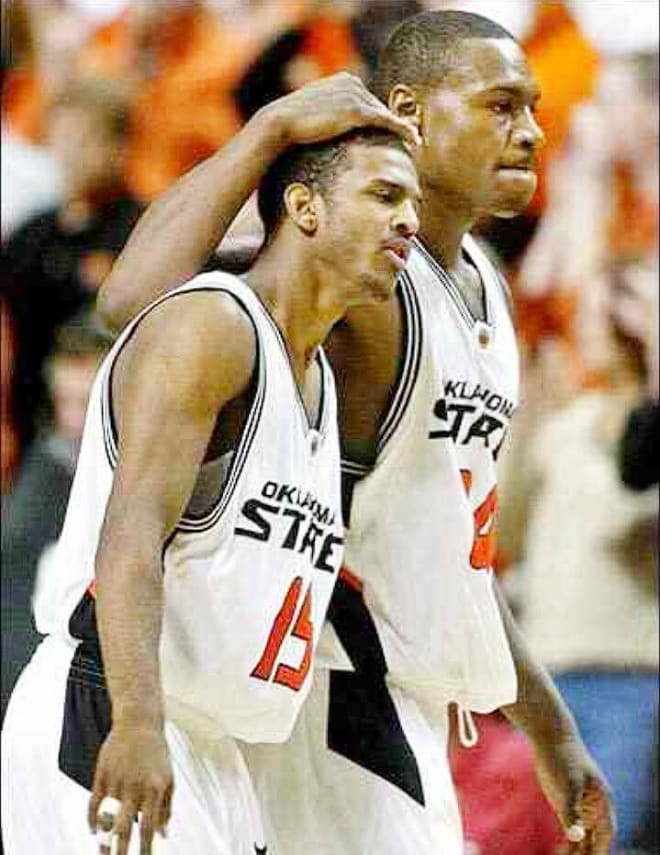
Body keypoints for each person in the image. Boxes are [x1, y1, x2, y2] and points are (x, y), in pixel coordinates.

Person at [96, 10, 615, 855]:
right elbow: (130, 302)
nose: (529, 132)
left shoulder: (481, 282)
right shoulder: (354, 279)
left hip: (383, 688)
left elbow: (456, 551)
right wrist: (269, 132)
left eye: (533, 109)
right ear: (408, 110)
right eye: (500, 106)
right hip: (318, 681)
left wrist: (550, 729)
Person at [1, 125, 421, 855]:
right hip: (114, 708)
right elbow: (130, 533)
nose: (408, 218)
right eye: (384, 194)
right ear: (305, 207)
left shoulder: (319, 375)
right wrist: (134, 721)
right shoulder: (214, 326)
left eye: (412, 200)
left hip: (215, 745)